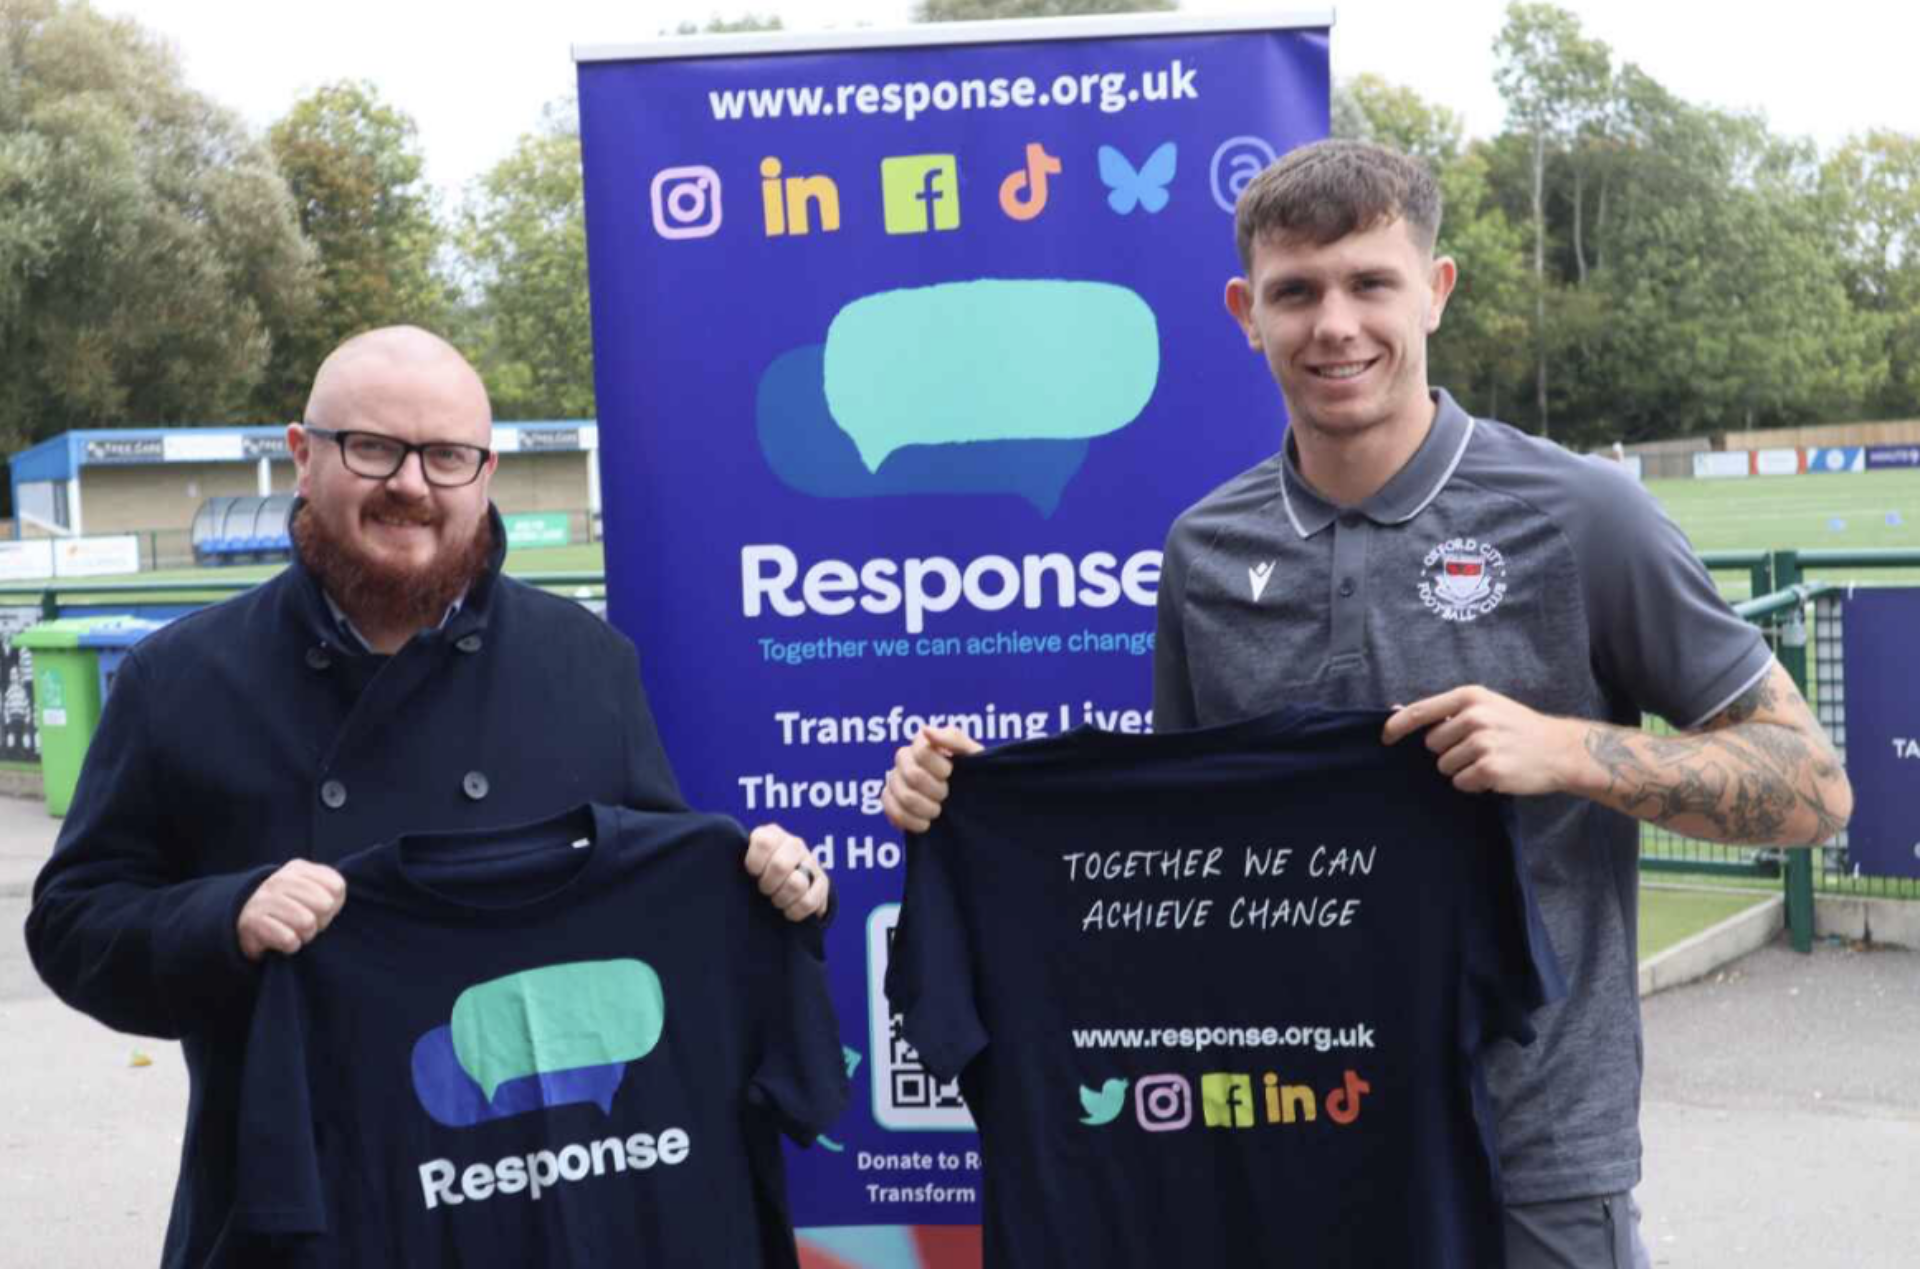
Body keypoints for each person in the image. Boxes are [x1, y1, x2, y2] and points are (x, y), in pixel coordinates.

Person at [881, 141, 1851, 1268]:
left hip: (1533, 1162)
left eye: (1369, 283)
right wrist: (980, 800)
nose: (1333, 325)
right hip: (1288, 1140)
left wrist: (1570, 752)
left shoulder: (1584, 517)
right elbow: (1195, 866)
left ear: (1434, 293)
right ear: (1247, 313)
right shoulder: (1206, 551)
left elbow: (1813, 788)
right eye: (1296, 292)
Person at [25, 326, 830, 1269]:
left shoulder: (585, 664)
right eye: (372, 448)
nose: (410, 484)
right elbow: (74, 924)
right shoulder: (180, 681)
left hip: (561, 1205)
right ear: (302, 454)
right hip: (298, 1218)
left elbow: (668, 911)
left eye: (446, 456)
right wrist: (227, 917)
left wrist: (779, 889)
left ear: (484, 473)